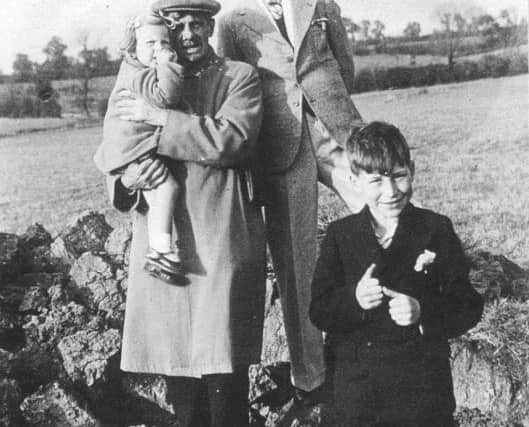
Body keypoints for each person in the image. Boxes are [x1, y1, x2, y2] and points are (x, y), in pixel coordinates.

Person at [106, 0, 266, 425]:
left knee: (223, 367)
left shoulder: (238, 77)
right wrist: (128, 179)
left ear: (211, 25)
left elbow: (232, 141)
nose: (190, 34)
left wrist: (159, 119)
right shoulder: (139, 79)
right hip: (167, 240)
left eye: (198, 23)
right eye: (178, 25)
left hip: (221, 233)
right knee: (179, 368)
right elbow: (116, 143)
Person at [216, 0, 364, 400]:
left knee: (380, 213)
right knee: (297, 264)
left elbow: (344, 64)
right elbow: (231, 85)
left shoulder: (321, 4)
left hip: (339, 129)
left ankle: (398, 329)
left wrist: (334, 112)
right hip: (281, 145)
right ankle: (310, 378)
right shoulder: (232, 21)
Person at [309, 121, 484, 426]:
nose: (390, 192)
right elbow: (319, 310)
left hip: (421, 395)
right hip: (355, 398)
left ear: (412, 170)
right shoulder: (341, 236)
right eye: (376, 181)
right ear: (355, 180)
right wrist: (354, 300)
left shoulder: (435, 229)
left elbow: (467, 304)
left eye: (399, 176)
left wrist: (423, 312)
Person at [94, 13, 185, 282]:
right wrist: (169, 66)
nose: (160, 51)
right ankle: (160, 251)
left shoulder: (133, 68)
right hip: (132, 147)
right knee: (168, 187)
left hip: (128, 147)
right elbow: (166, 97)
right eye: (150, 44)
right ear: (132, 48)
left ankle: (160, 251)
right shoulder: (140, 75)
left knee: (159, 194)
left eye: (165, 44)